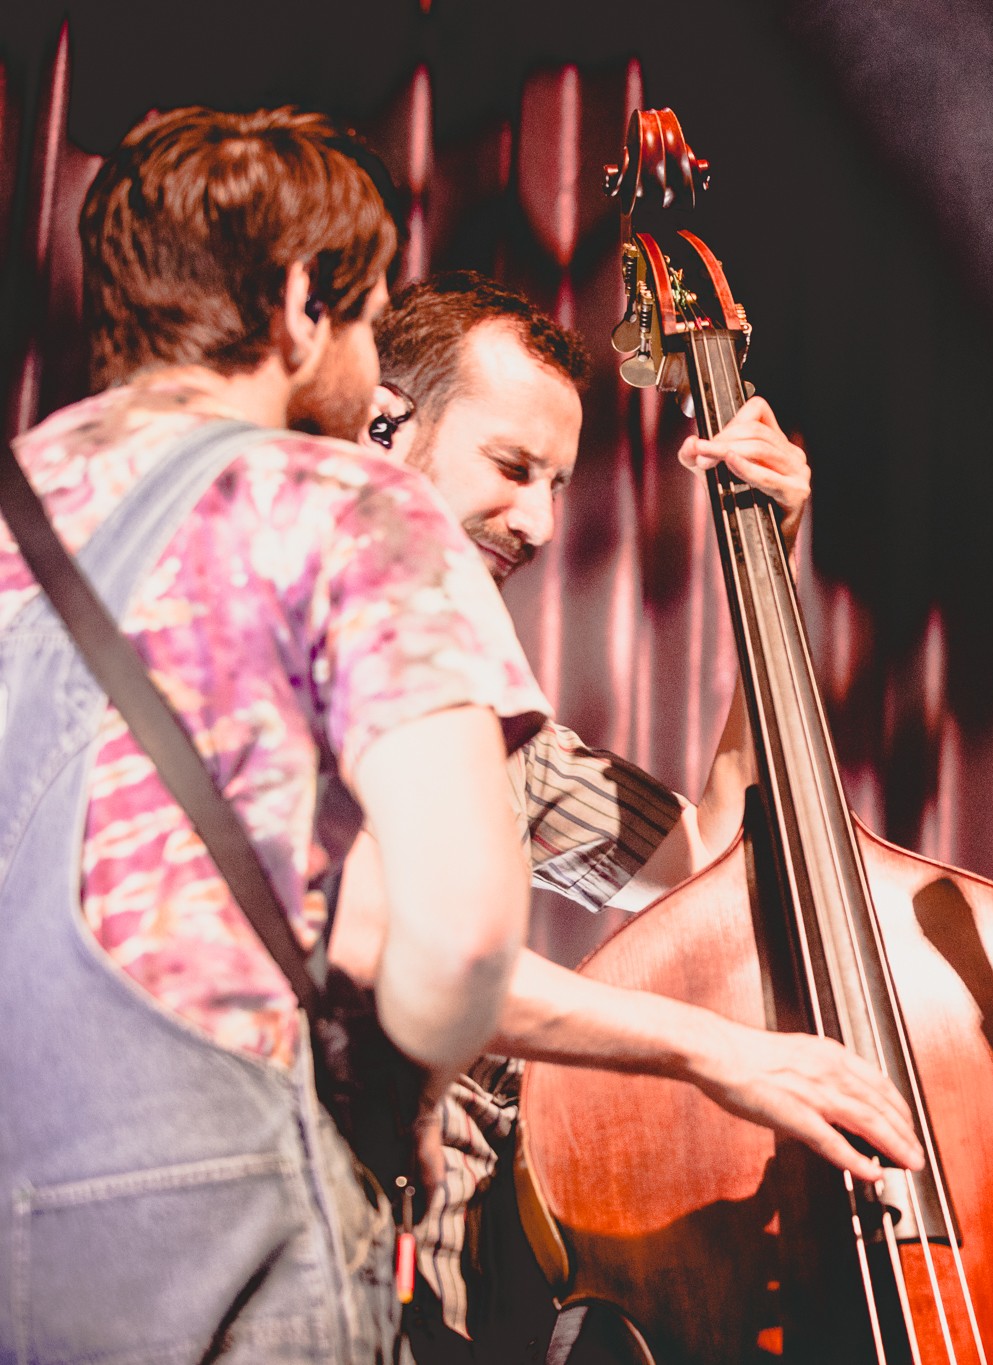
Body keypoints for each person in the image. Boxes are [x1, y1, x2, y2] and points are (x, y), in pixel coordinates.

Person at [0, 109, 544, 1362]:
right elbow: (458, 933)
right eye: (365, 320)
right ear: (301, 304)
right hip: (224, 1211)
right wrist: (405, 1098)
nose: (368, 366)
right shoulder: (348, 503)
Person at [329, 271, 921, 1361]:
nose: (540, 522)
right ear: (382, 426)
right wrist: (717, 1055)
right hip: (319, 1265)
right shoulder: (288, 651)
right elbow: (395, 952)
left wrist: (768, 562)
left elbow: (705, 867)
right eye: (510, 470)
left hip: (451, 1297)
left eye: (556, 483)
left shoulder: (498, 737)